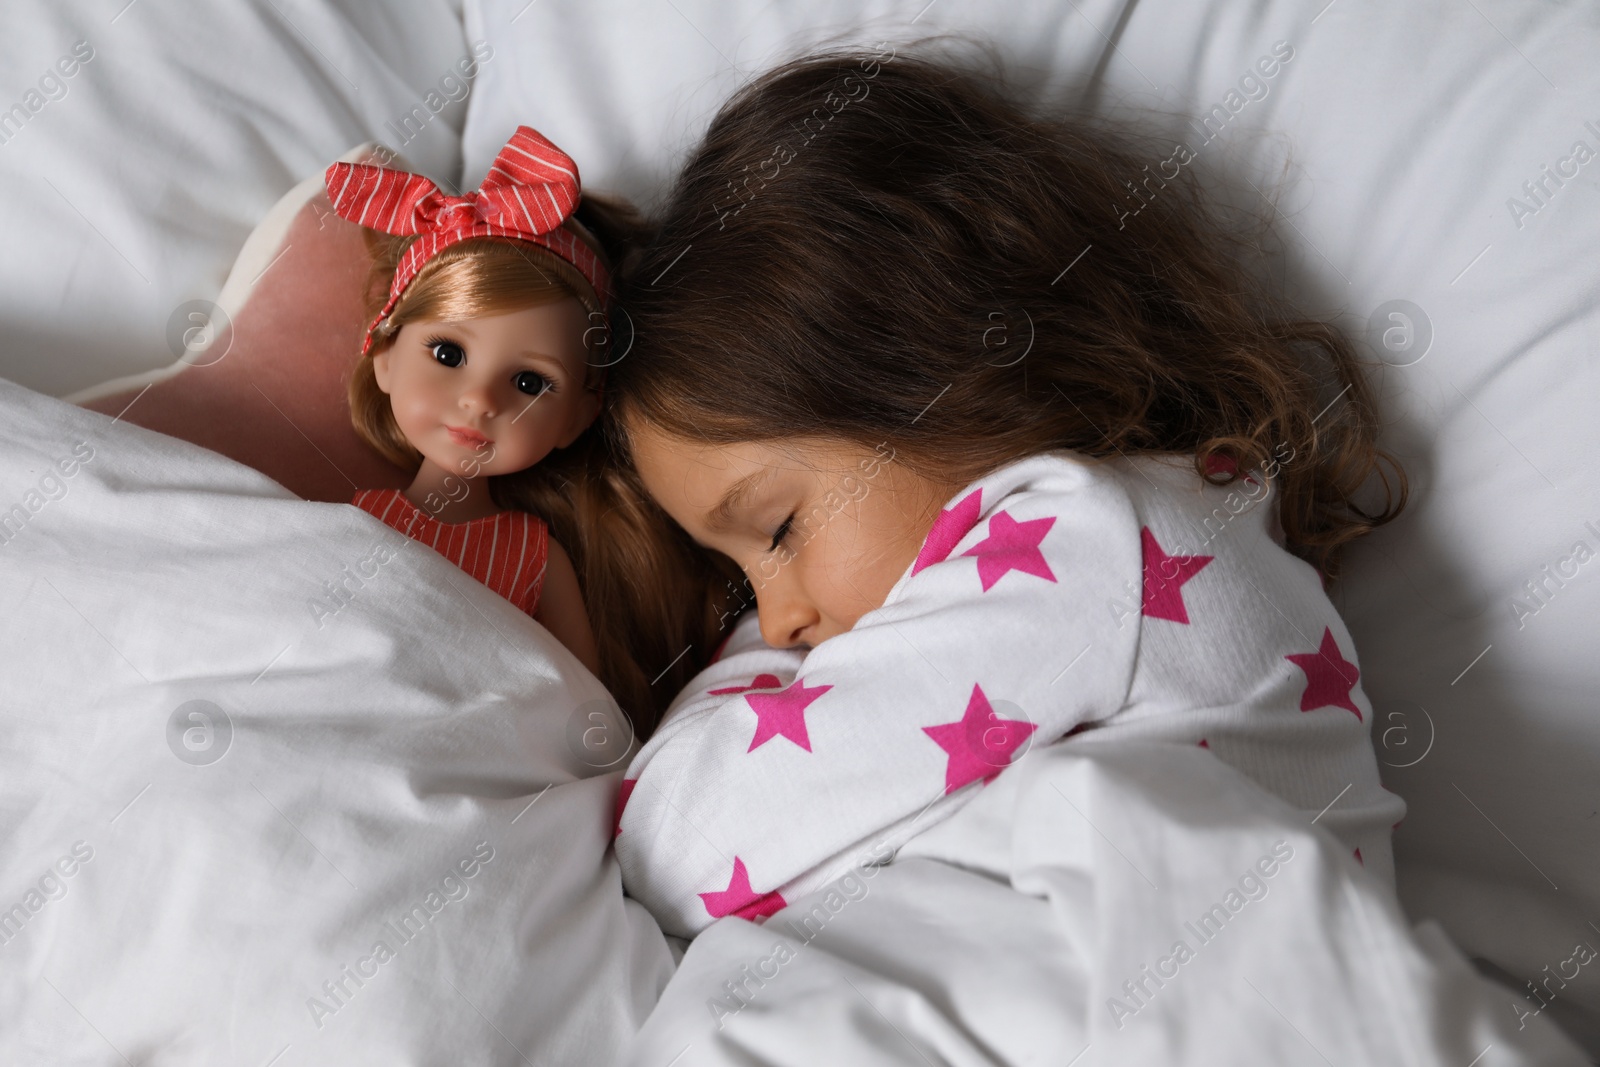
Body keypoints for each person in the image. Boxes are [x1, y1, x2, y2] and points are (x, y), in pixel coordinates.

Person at [605, 46, 1411, 937]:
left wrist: (751, 653)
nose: (781, 617)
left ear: (935, 374)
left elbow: (677, 847)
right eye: (742, 586)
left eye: (781, 528)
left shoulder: (1091, 544)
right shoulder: (1170, 517)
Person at [329, 126, 733, 730]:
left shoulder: (532, 554)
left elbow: (580, 699)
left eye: (529, 383)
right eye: (446, 354)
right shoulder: (359, 519)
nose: (479, 401)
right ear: (384, 356)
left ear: (577, 418)